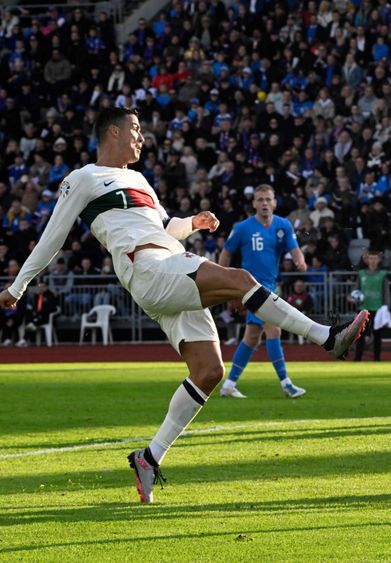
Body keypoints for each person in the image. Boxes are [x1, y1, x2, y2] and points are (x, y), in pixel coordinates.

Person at [0, 108, 369, 503]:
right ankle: (327, 338)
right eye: (136, 130)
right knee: (242, 281)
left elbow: (163, 227)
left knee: (209, 371)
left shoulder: (139, 179)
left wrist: (192, 222)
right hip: (149, 269)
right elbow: (53, 235)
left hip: (169, 264)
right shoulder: (84, 178)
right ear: (113, 131)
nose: (142, 138)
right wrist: (18, 285)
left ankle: (149, 457)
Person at [217, 184, 309, 400]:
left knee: (251, 338)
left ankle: (229, 385)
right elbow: (226, 253)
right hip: (252, 288)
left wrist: (299, 258)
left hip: (270, 286)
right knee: (274, 330)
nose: (264, 203)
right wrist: (225, 281)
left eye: (268, 199)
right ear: (254, 203)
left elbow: (293, 247)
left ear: (275, 202)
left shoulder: (283, 225)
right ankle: (286, 383)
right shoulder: (242, 228)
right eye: (260, 200)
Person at [354, 251, 388, 361]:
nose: (373, 261)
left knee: (377, 335)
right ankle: (358, 357)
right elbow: (356, 290)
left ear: (378, 261)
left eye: (375, 258)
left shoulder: (382, 275)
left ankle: (377, 358)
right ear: (367, 260)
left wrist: (386, 306)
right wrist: (353, 298)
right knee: (360, 334)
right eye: (371, 258)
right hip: (363, 309)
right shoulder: (361, 274)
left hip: (378, 308)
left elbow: (386, 292)